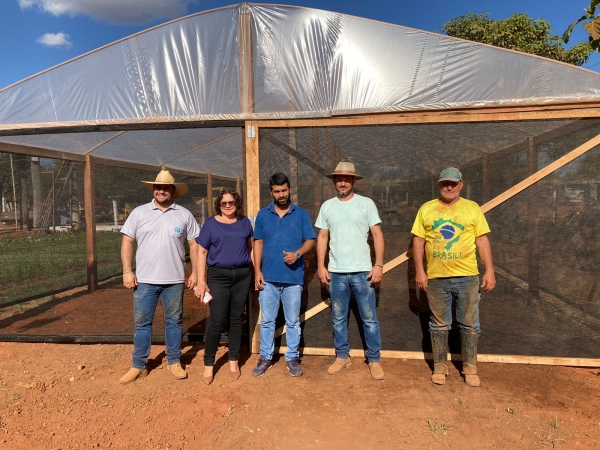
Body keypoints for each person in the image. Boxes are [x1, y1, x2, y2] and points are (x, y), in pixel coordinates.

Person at [411, 167, 496, 387]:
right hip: (436, 277)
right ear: (439, 185)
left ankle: (470, 367)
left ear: (461, 185)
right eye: (445, 183)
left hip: (467, 276)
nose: (449, 187)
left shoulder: (472, 208)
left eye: (453, 183)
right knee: (439, 324)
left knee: (469, 323)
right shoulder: (427, 209)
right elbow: (418, 242)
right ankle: (440, 367)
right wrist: (420, 271)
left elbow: (482, 240)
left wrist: (490, 270)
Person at [119, 168, 199, 384]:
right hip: (144, 280)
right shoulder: (139, 213)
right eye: (158, 187)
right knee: (142, 324)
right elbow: (127, 241)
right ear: (153, 189)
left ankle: (174, 361)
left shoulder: (184, 214)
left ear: (173, 190)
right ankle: (139, 365)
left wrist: (196, 273)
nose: (161, 191)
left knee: (174, 321)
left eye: (165, 188)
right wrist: (127, 271)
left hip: (174, 280)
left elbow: (194, 244)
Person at [315, 162, 385, 381]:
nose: (342, 182)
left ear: (354, 181)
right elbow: (323, 237)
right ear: (334, 181)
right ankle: (342, 356)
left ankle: (374, 359)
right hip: (336, 272)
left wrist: (379, 264)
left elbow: (378, 234)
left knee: (369, 318)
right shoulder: (327, 206)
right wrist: (320, 265)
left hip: (363, 272)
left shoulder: (366, 204)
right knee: (338, 317)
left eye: (346, 179)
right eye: (338, 179)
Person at [252, 173, 316, 377]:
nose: (281, 194)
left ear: (289, 190)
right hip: (268, 279)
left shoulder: (301, 214)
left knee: (293, 321)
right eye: (277, 191)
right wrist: (257, 271)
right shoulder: (263, 215)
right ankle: (265, 356)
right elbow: (258, 243)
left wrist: (297, 253)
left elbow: (311, 240)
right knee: (268, 321)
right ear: (271, 192)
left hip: (293, 279)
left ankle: (292, 358)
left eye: (284, 190)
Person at [194, 189, 253, 385]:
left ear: (237, 203)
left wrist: (256, 271)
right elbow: (201, 252)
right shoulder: (211, 224)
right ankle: (209, 363)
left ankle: (233, 360)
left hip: (242, 276)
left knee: (236, 319)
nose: (227, 206)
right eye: (223, 203)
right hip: (218, 276)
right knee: (217, 320)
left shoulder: (244, 222)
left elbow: (250, 248)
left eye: (231, 202)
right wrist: (202, 281)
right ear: (218, 205)